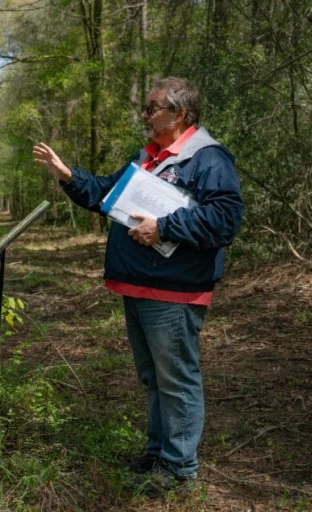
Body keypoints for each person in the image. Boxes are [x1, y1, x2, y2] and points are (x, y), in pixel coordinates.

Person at [33, 77, 244, 497]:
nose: (144, 116)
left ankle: (180, 470)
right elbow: (108, 195)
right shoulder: (148, 157)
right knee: (153, 377)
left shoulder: (207, 159)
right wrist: (67, 175)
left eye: (152, 109)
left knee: (176, 378)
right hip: (139, 286)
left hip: (175, 291)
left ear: (179, 114)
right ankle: (158, 453)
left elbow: (225, 220)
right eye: (145, 109)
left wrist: (164, 227)